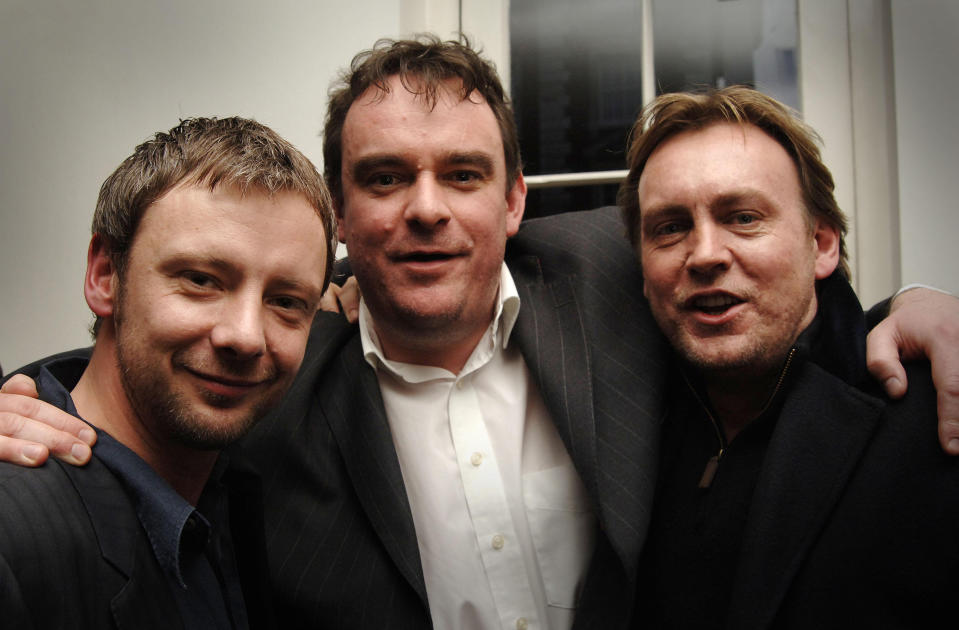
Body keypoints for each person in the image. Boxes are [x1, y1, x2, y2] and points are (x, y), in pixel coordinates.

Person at [2, 37, 959, 630]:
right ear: (339, 212)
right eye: (382, 178)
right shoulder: (284, 360)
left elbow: (759, 276)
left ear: (512, 202)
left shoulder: (612, 275)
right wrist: (28, 398)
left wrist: (908, 307)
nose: (424, 210)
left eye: (462, 175)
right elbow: (156, 346)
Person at [621, 87, 956, 628]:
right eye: (670, 227)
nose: (705, 253)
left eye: (744, 217)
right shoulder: (627, 416)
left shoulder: (933, 408)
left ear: (822, 244)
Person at [0, 116, 336, 628]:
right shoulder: (14, 531)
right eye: (201, 280)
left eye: (286, 301)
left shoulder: (234, 496)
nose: (246, 335)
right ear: (105, 276)